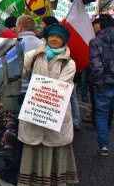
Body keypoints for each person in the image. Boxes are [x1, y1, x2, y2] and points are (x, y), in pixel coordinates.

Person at [18, 23, 78, 185]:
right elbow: (21, 73)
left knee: (54, 145)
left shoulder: (69, 63)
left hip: (55, 113)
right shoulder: (33, 55)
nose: (54, 39)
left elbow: (60, 88)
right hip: (35, 111)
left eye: (58, 37)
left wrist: (41, 93)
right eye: (51, 36)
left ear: (64, 40)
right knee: (33, 144)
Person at [89, 14, 114, 156]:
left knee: (101, 115)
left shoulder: (96, 42)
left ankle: (104, 146)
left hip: (104, 84)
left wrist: (97, 83)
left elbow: (96, 66)